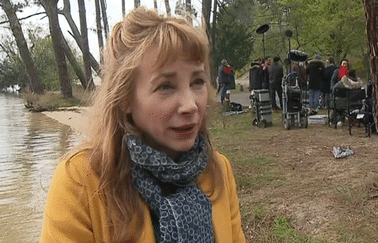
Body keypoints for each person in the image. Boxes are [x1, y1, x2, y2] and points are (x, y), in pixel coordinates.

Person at [40, 7, 246, 243]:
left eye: (197, 81)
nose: (191, 105)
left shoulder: (218, 170)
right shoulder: (80, 183)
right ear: (125, 98)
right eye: (166, 86)